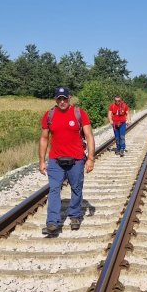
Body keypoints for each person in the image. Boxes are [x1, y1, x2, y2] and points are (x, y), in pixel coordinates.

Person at [39, 87, 95, 237]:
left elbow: (89, 136)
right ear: (55, 99)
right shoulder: (49, 115)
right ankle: (52, 222)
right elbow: (44, 138)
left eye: (64, 98)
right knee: (54, 189)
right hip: (55, 160)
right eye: (59, 99)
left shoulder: (79, 113)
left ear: (69, 98)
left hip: (76, 159)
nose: (62, 101)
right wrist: (41, 161)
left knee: (76, 188)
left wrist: (90, 158)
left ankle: (75, 216)